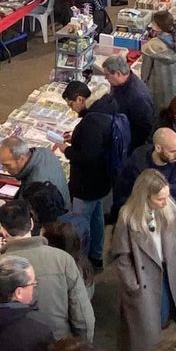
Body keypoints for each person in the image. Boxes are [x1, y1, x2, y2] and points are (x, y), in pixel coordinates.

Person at [109, 169, 176, 351]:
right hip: (144, 277)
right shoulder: (128, 217)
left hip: (171, 271)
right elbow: (121, 256)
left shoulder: (169, 207)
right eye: (160, 199)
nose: (165, 202)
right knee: (148, 327)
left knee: (171, 317)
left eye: (167, 196)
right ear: (145, 196)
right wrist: (132, 284)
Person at [0, 200, 94, 340]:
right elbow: (83, 317)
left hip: (18, 346)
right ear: (31, 223)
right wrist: (81, 347)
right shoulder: (63, 259)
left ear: (3, 232)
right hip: (60, 346)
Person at [114, 126, 176, 251]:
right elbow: (122, 193)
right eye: (172, 151)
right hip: (141, 229)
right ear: (158, 148)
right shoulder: (137, 163)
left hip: (173, 229)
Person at [59, 80, 117, 268]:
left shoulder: (92, 122)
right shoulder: (102, 111)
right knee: (97, 218)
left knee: (80, 224)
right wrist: (75, 136)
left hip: (87, 184)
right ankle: (97, 255)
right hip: (101, 181)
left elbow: (86, 155)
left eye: (71, 104)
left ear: (80, 99)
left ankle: (80, 263)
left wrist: (66, 150)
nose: (71, 109)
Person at [139, 10, 176, 119]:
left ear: (158, 27)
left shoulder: (151, 47)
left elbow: (145, 72)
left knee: (161, 117)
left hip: (159, 90)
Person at [0, 136, 70, 207]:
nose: (4, 169)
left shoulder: (36, 185)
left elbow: (28, 215)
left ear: (22, 159)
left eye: (7, 165)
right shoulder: (44, 151)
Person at [103, 54, 155, 149]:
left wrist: (125, 145)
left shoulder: (138, 96)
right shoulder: (119, 83)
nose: (105, 78)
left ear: (118, 74)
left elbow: (144, 129)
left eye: (107, 75)